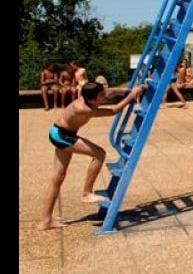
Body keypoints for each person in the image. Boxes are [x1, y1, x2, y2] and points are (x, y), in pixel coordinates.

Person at [38, 81, 146, 230]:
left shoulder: (90, 97)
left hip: (59, 133)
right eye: (101, 96)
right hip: (62, 136)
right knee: (99, 154)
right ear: (92, 100)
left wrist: (126, 90)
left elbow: (110, 92)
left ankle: (45, 221)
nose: (105, 97)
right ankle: (87, 193)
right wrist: (132, 95)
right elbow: (114, 110)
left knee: (58, 178)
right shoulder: (82, 108)